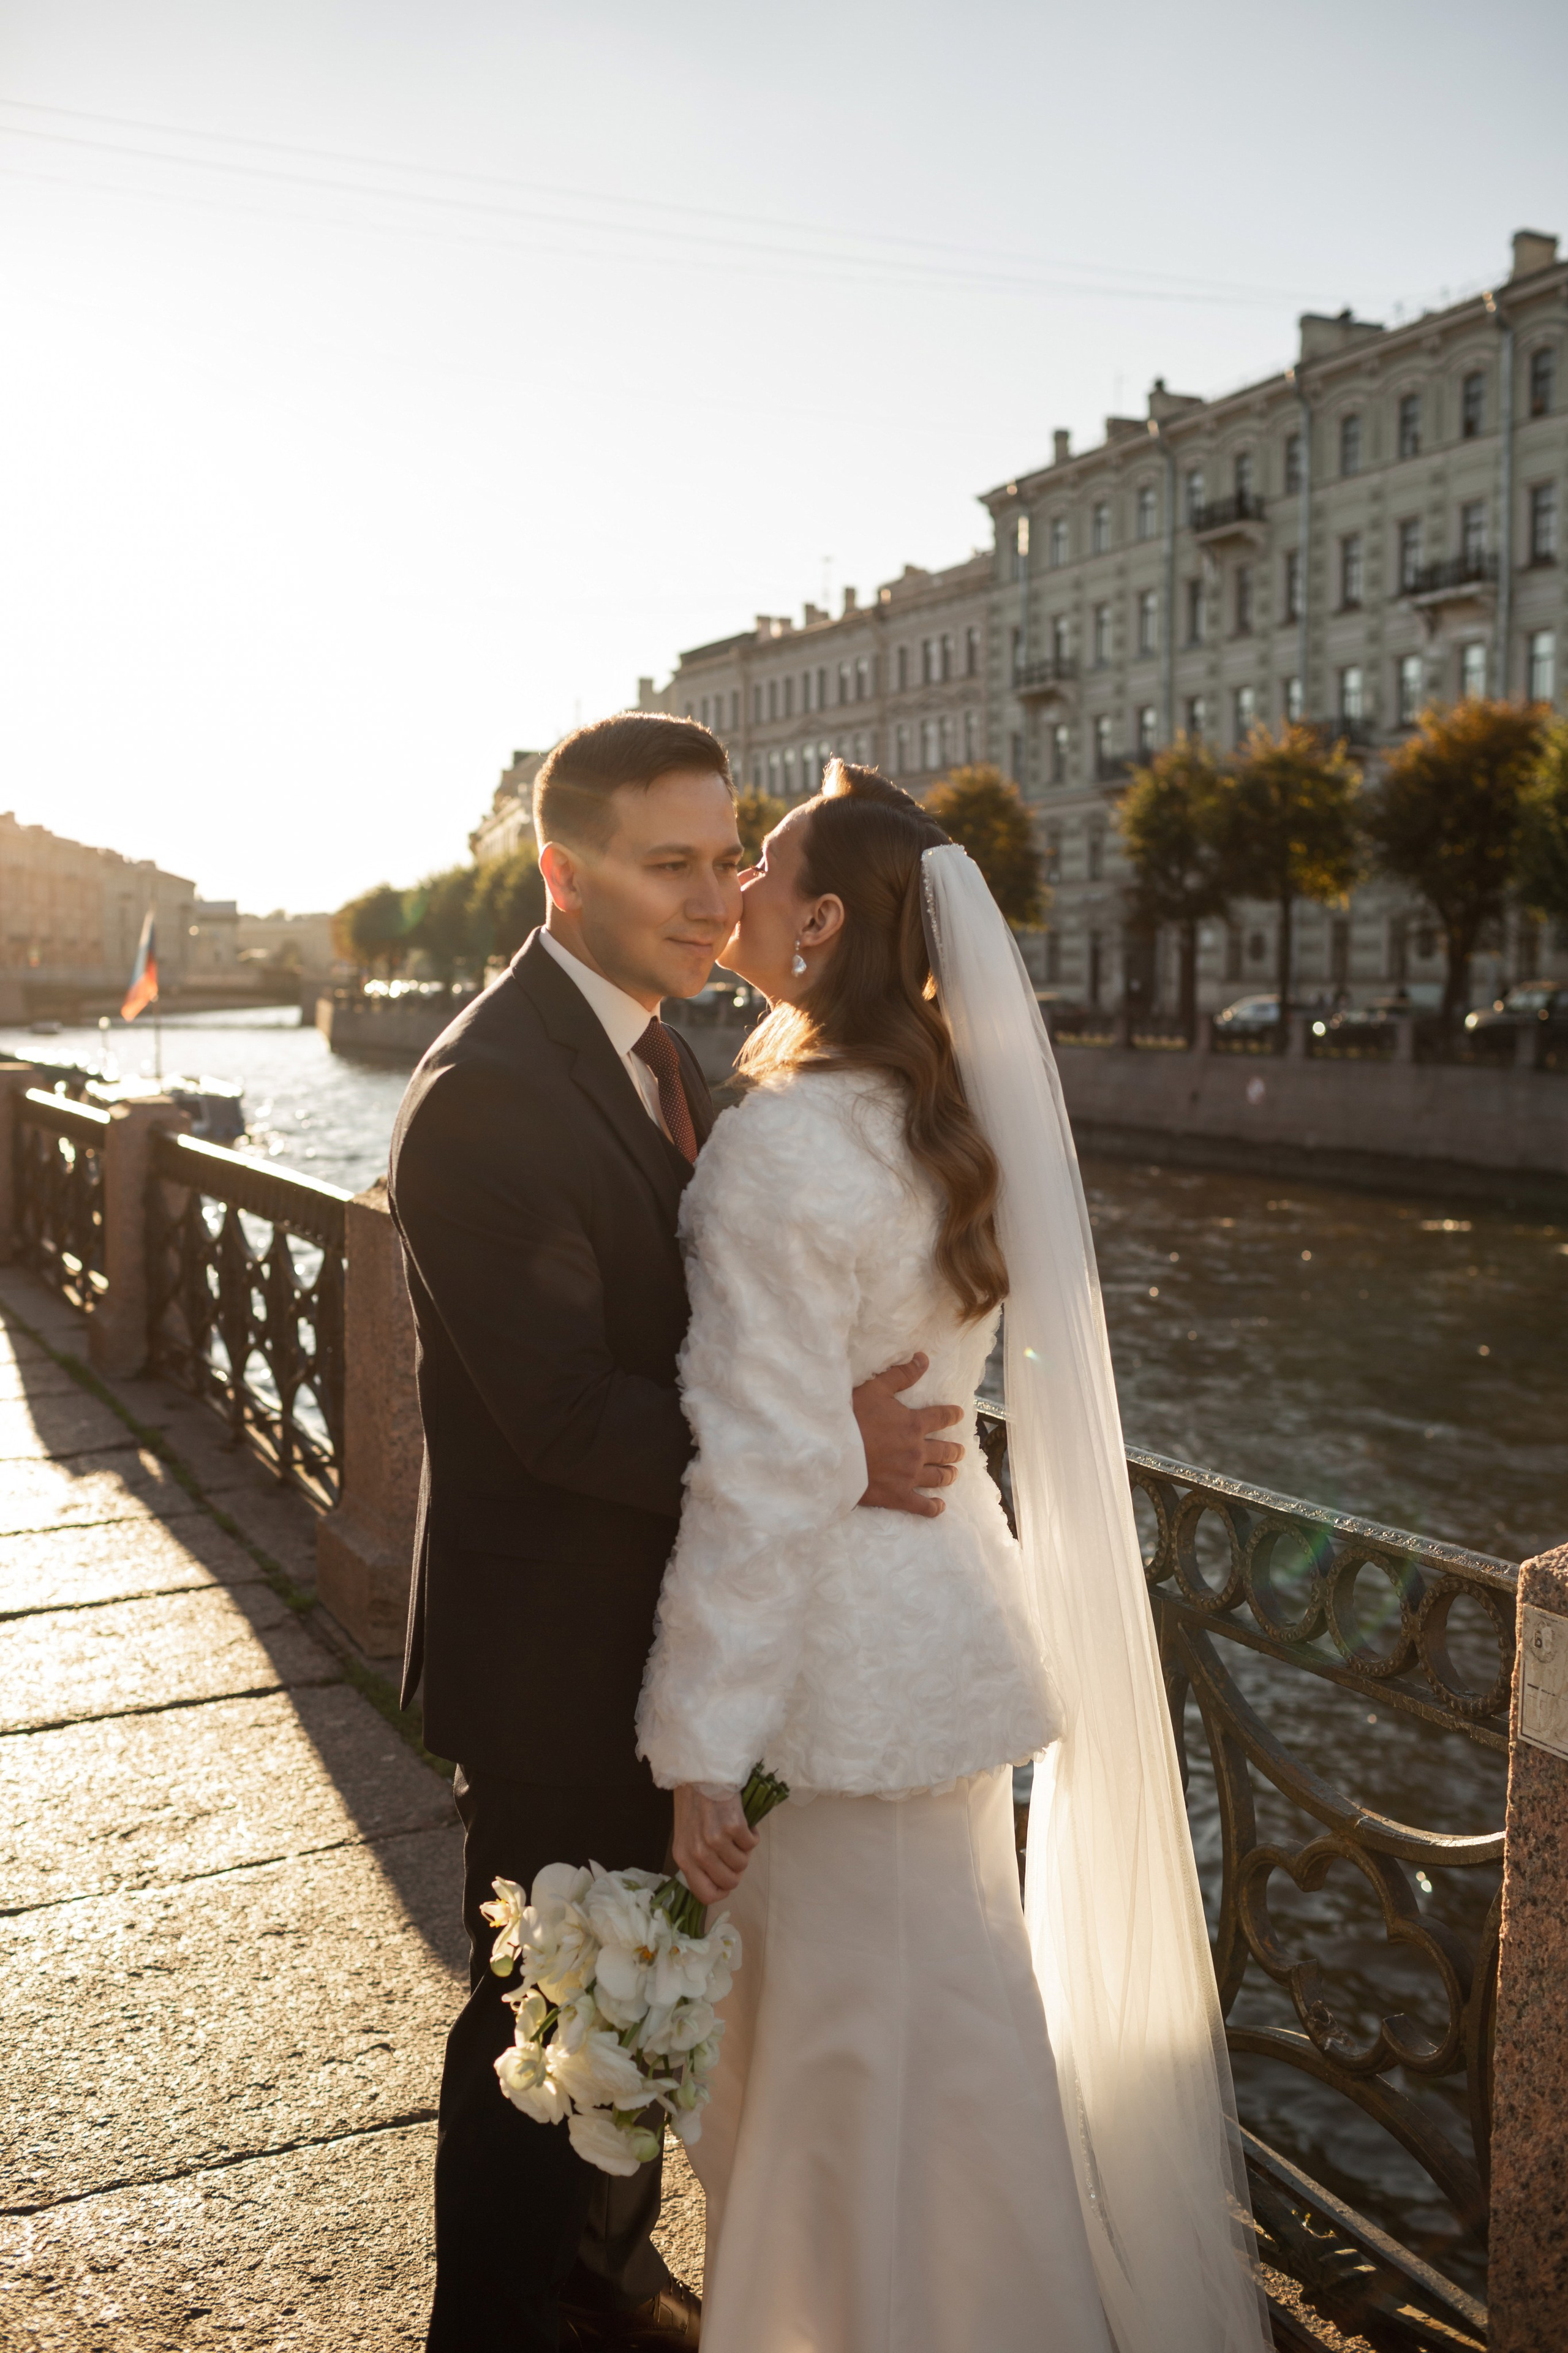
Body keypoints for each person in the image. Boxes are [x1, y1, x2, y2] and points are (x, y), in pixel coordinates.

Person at [637, 764, 1273, 2353]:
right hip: (954, 1635)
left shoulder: (784, 1144)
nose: (738, 886)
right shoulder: (957, 1129)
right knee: (964, 2029)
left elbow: (756, 1475)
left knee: (830, 2057)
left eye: (765, 865)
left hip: (828, 1676)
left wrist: (699, 1745)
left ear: (821, 923)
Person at [388, 716, 967, 2353]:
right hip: (554, 1662)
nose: (715, 898)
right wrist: (834, 1447)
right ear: (563, 874)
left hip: (665, 1641)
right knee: (545, 2035)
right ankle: (494, 2327)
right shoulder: (485, 1094)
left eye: (728, 858)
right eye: (670, 865)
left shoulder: (665, 1049)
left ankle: (605, 2278)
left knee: (639, 2006)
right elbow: (564, 1412)